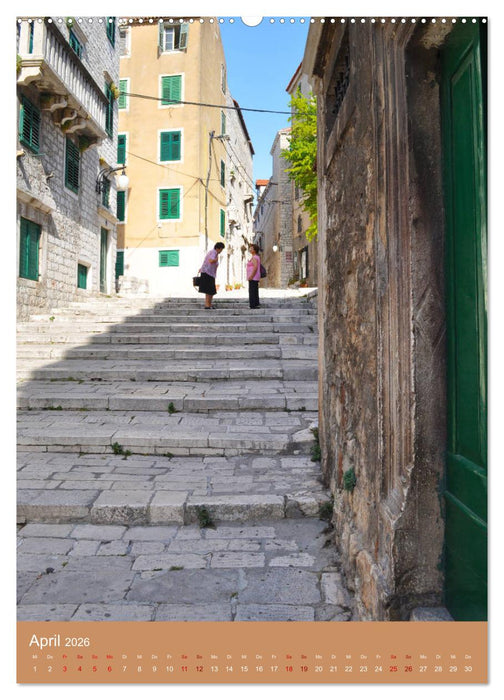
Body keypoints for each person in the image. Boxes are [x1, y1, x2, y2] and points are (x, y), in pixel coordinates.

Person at [198, 242, 225, 309]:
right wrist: (216, 260)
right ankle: (207, 305)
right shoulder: (214, 252)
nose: (221, 251)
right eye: (221, 249)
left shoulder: (212, 252)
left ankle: (208, 304)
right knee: (209, 290)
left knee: (210, 290)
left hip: (209, 273)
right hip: (208, 273)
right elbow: (210, 260)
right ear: (218, 248)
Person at [246, 243, 261, 309]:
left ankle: (252, 305)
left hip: (253, 277)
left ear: (254, 250)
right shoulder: (256, 257)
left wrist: (251, 276)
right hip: (255, 277)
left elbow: (255, 267)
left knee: (252, 291)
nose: (250, 249)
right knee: (255, 291)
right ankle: (256, 304)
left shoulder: (254, 257)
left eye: (251, 248)